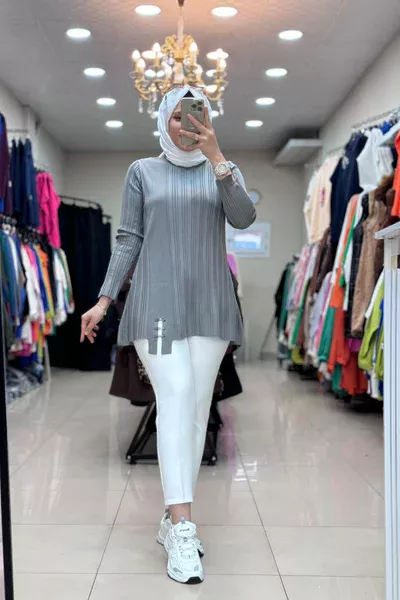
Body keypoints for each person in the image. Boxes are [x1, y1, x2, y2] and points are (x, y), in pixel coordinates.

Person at [80, 85, 256, 585]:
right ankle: (182, 528)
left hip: (210, 306)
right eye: (177, 116)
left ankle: (172, 516)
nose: (185, 125)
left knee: (196, 411)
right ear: (163, 119)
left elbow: (243, 218)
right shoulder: (142, 172)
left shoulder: (224, 169)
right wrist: (104, 300)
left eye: (194, 115)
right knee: (175, 395)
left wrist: (217, 157)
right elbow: (128, 238)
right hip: (155, 305)